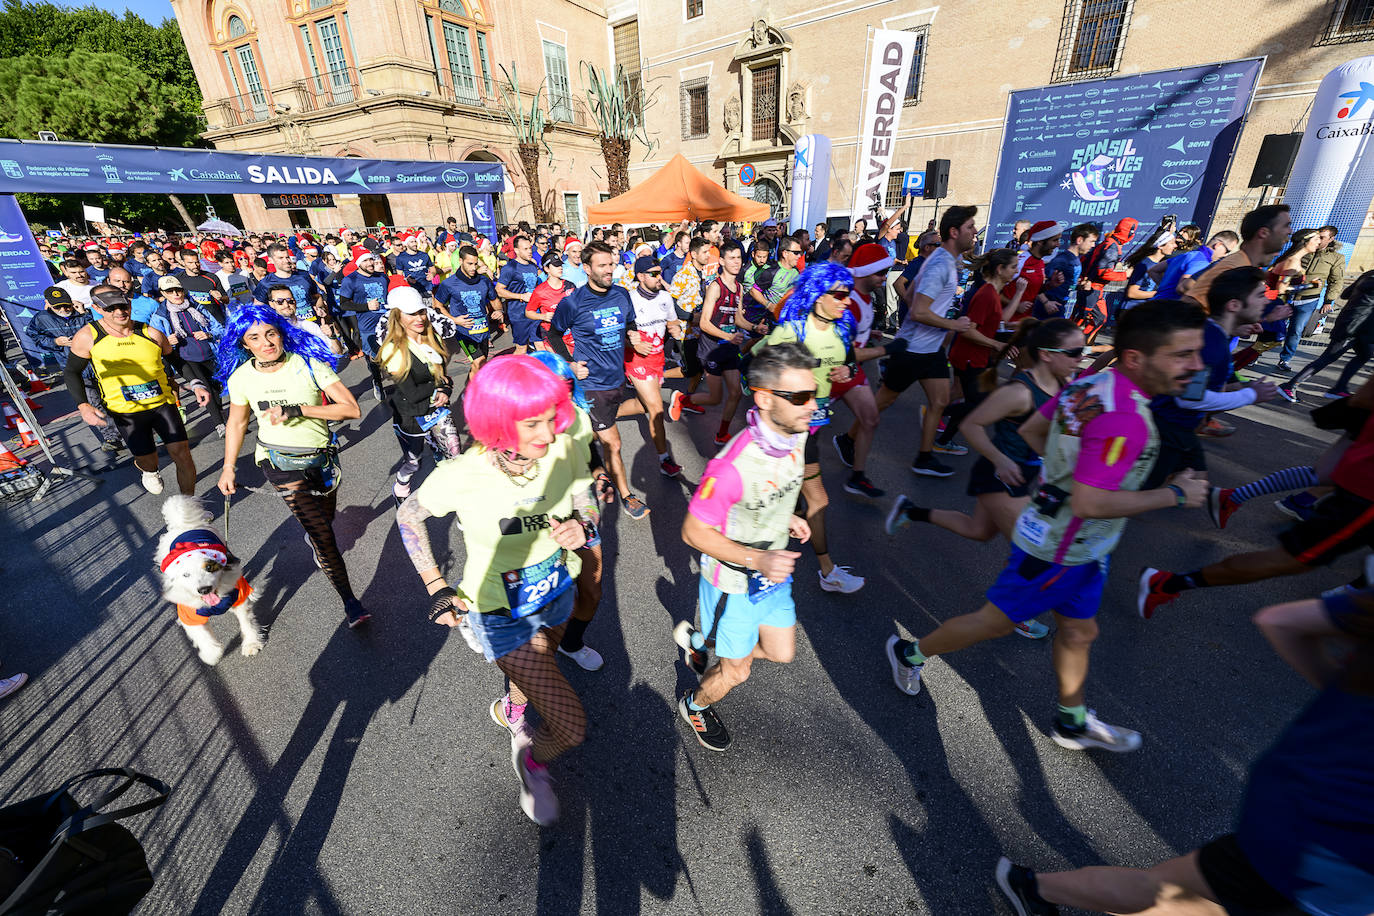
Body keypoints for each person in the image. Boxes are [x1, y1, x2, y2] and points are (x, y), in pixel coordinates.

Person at [885, 298, 1209, 751]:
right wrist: (1176, 493)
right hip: (1060, 550)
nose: (1196, 365)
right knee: (994, 622)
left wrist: (1057, 477)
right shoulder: (1124, 418)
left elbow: (1033, 433)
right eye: (1182, 355)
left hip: (1083, 546)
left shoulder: (1096, 384)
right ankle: (908, 652)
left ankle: (1071, 720)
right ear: (1136, 357)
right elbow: (1091, 501)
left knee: (1080, 631)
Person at [996, 587, 1374, 916]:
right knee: (1164, 898)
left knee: (1159, 888)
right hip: (1329, 855)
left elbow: (1281, 621)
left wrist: (1343, 703)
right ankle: (1032, 885)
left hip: (1298, 800)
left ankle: (1031, 885)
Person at [396, 354, 600, 825]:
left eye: (551, 419)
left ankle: (513, 704)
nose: (548, 435)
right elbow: (408, 516)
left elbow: (585, 495)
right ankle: (530, 758)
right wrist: (436, 584)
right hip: (499, 614)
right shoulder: (464, 474)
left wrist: (583, 526)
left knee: (541, 666)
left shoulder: (563, 448)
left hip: (557, 592)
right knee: (570, 727)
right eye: (533, 424)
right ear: (500, 423)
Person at [887, 319, 1085, 640]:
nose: (1080, 357)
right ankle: (1016, 613)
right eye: (1074, 352)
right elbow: (971, 425)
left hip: (1025, 474)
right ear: (1047, 355)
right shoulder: (1020, 392)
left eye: (1083, 351)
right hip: (1000, 475)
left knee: (977, 531)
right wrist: (1000, 459)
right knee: (1031, 549)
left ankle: (911, 511)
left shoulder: (1062, 385)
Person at [673, 342, 818, 751]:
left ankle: (706, 645)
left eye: (815, 394)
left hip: (770, 578)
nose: (813, 406)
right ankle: (695, 703)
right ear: (765, 399)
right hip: (733, 584)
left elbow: (772, 492)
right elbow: (692, 533)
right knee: (737, 673)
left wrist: (785, 517)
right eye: (802, 397)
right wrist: (761, 558)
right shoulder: (733, 466)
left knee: (781, 652)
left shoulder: (795, 434)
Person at [1140, 377, 1374, 618]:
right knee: (1292, 559)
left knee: (1323, 476)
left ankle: (1233, 497)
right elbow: (1193, 398)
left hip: (1362, 470)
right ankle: (1167, 583)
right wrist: (1248, 394)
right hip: (1366, 491)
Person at [215, 303, 370, 628]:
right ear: (245, 344)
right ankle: (351, 601)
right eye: (254, 337)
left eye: (270, 333)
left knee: (324, 522)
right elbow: (237, 423)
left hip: (321, 456)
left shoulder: (308, 364)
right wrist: (229, 466)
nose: (265, 342)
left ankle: (319, 544)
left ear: (281, 334)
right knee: (323, 533)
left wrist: (299, 409)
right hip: (277, 460)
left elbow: (351, 409)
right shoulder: (241, 377)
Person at [760, 262, 872, 594]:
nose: (846, 301)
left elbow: (849, 362)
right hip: (787, 432)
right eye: (838, 294)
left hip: (815, 426)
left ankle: (768, 558)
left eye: (848, 294)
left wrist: (846, 373)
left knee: (787, 498)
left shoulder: (841, 330)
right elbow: (757, 371)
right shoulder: (791, 331)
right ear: (816, 294)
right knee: (817, 498)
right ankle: (825, 571)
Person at [547, 241, 663, 520]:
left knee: (639, 410)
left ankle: (587, 448)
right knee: (614, 442)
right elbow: (553, 334)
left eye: (611, 264)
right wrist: (571, 364)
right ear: (586, 268)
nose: (610, 270)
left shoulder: (622, 295)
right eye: (603, 266)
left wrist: (632, 336)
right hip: (592, 384)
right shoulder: (572, 302)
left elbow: (629, 324)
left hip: (617, 378)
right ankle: (626, 494)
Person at [1143, 272, 1284, 497]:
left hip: (1176, 426)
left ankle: (1221, 503)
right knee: (1133, 492)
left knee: (1197, 481)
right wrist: (1251, 395)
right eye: (1260, 295)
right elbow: (1189, 398)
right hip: (1166, 430)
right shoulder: (1212, 344)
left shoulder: (1214, 333)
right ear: (1234, 305)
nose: (1267, 300)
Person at [63, 286, 197, 495]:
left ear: (130, 304)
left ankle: (190, 507)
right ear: (98, 308)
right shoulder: (88, 336)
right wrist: (84, 406)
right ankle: (149, 470)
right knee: (148, 459)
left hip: (162, 405)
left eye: (123, 306)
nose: (119, 312)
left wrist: (195, 383)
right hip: (126, 412)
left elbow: (176, 360)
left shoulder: (150, 333)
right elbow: (71, 372)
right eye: (111, 308)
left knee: (182, 454)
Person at [878, 205, 978, 478]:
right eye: (970, 227)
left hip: (930, 349)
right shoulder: (939, 265)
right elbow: (920, 311)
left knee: (940, 400)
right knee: (880, 404)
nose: (975, 232)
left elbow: (915, 300)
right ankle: (849, 440)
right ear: (954, 232)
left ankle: (924, 457)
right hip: (912, 349)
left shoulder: (947, 262)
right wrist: (953, 324)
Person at [376, 285, 464, 505]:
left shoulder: (430, 337)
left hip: (438, 410)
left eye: (421, 311)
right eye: (412, 313)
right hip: (411, 416)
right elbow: (412, 393)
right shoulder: (393, 349)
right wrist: (441, 387)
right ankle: (401, 486)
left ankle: (460, 503)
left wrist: (445, 389)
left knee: (454, 456)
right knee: (413, 463)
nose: (419, 317)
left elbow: (444, 377)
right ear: (397, 316)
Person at [829, 242, 898, 498]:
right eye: (880, 273)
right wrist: (889, 350)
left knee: (870, 419)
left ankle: (857, 477)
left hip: (850, 371)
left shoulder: (865, 298)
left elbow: (854, 338)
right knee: (800, 437)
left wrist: (870, 332)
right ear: (864, 272)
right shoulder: (847, 301)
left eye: (885, 272)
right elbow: (841, 352)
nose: (884, 278)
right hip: (828, 374)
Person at [675, 241, 755, 445]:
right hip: (711, 350)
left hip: (729, 349)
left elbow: (737, 318)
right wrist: (728, 336)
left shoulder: (738, 287)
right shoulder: (715, 287)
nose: (737, 262)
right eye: (732, 258)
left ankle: (721, 433)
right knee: (715, 398)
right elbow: (703, 323)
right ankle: (683, 400)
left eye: (739, 257)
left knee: (736, 392)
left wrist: (754, 328)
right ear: (721, 261)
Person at [624, 255, 685, 478]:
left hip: (657, 357)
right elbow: (618, 332)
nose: (660, 277)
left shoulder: (666, 298)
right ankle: (664, 459)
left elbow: (672, 321)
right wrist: (634, 344)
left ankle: (606, 417)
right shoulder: (628, 299)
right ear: (640, 277)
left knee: (644, 406)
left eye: (660, 272)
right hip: (636, 359)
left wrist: (675, 330)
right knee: (657, 408)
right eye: (654, 274)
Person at [1281, 267, 1374, 401]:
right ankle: (1290, 385)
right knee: (1328, 357)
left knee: (1365, 354)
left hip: (1356, 325)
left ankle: (1340, 388)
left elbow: (1345, 294)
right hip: (1354, 327)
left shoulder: (1368, 274)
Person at [159, 274, 229, 437]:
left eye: (178, 290)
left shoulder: (197, 306)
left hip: (209, 353)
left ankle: (221, 417)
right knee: (205, 388)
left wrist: (208, 334)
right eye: (170, 291)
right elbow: (157, 342)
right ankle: (220, 424)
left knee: (216, 388)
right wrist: (168, 341)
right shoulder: (161, 315)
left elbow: (218, 327)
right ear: (163, 294)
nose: (176, 294)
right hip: (187, 358)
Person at [434, 245, 501, 369]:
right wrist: (454, 320)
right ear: (460, 261)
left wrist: (499, 310)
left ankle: (470, 388)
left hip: (483, 330)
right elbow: (437, 305)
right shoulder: (449, 283)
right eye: (469, 264)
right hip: (465, 332)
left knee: (479, 365)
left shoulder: (484, 281)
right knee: (480, 362)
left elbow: (494, 299)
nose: (473, 268)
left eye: (475, 264)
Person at [339, 250, 391, 401]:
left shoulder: (381, 276)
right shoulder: (351, 280)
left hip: (388, 323)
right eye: (365, 261)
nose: (370, 263)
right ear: (358, 263)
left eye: (371, 260)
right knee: (375, 358)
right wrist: (366, 306)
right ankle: (377, 382)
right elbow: (344, 304)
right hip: (368, 326)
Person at [1075, 217, 1136, 341]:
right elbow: (1103, 272)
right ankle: (1062, 345)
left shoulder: (1110, 242)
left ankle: (1080, 346)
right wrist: (1125, 275)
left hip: (1095, 288)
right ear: (1129, 232)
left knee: (1100, 318)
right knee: (1079, 319)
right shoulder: (1112, 246)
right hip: (1092, 288)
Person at [1271, 228, 1323, 371]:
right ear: (1305, 241)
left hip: (1279, 305)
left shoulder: (1294, 259)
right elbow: (1281, 288)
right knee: (1267, 341)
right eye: (1316, 239)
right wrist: (1309, 285)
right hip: (1275, 305)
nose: (1319, 242)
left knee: (1268, 341)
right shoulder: (1293, 262)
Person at [1156, 230, 1237, 301]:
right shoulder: (1201, 261)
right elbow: (1182, 288)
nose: (1224, 255)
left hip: (1157, 302)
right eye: (1227, 251)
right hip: (1167, 308)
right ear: (1218, 245)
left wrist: (1165, 288)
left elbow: (1154, 270)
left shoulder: (1189, 254)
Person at [497, 235, 544, 353]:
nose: (529, 252)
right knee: (522, 349)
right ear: (517, 250)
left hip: (535, 312)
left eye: (530, 248)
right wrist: (521, 296)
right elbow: (499, 290)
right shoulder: (510, 268)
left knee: (541, 346)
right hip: (519, 314)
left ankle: (543, 371)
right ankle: (512, 371)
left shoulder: (533, 266)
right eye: (525, 249)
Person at [176, 247, 229, 324]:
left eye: (197, 262)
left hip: (217, 321)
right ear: (183, 263)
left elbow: (226, 299)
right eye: (190, 263)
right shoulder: (177, 280)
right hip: (194, 322)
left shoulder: (211, 277)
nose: (195, 265)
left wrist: (220, 298)